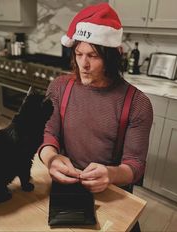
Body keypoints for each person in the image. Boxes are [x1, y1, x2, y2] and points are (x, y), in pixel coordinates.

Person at [38, 3, 153, 231]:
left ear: (111, 57)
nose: (84, 64)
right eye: (79, 54)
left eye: (93, 56)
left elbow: (135, 165)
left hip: (110, 189)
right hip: (65, 183)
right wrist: (50, 158)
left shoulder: (137, 103)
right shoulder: (60, 87)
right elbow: (49, 132)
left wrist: (110, 174)